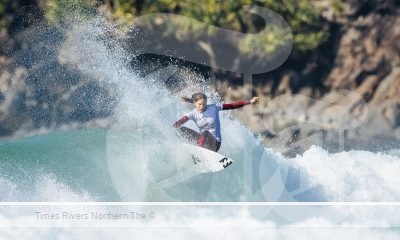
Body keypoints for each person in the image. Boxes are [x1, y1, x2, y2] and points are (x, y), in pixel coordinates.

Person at [173, 93, 259, 152]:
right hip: (202, 142)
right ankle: (182, 147)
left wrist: (249, 102)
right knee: (180, 130)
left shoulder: (214, 107)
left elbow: (232, 106)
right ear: (194, 103)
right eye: (199, 104)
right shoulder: (192, 114)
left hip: (215, 144)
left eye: (204, 104)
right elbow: (180, 122)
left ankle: (198, 151)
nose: (202, 106)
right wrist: (171, 128)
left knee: (205, 133)